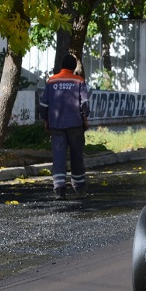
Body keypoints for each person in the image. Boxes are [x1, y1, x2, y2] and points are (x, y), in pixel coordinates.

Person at [40, 54, 90, 200]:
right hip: (76, 124)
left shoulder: (51, 81)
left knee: (59, 155)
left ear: (62, 66)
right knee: (76, 154)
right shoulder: (79, 81)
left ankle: (59, 188)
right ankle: (79, 186)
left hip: (56, 124)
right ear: (74, 67)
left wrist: (46, 119)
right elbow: (84, 103)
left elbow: (44, 104)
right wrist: (85, 118)